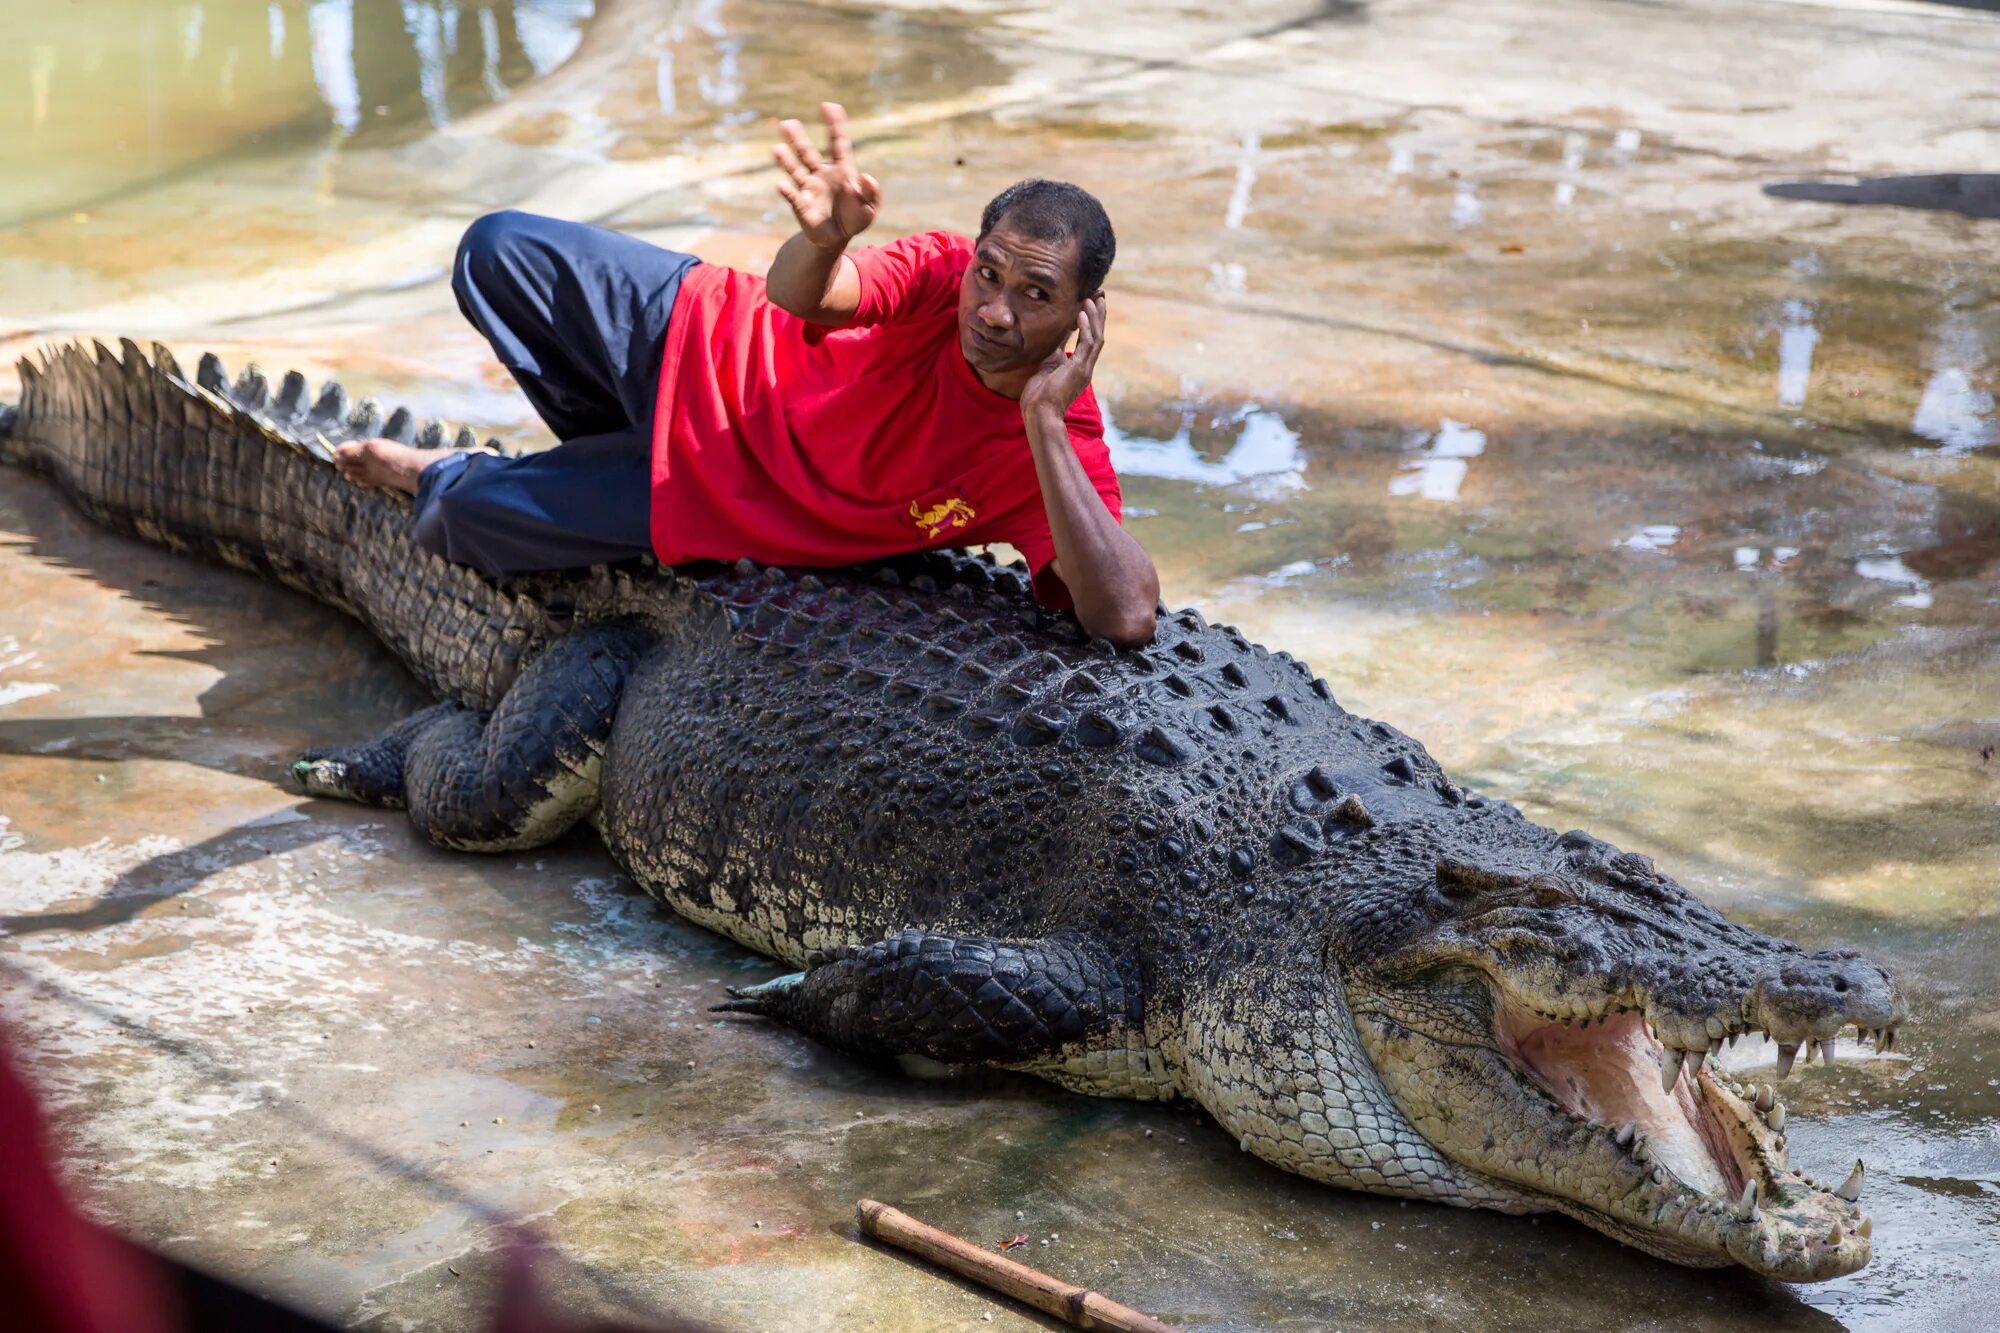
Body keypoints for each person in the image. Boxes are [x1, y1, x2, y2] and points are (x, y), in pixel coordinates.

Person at [335, 102, 1159, 647]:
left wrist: (1044, 421)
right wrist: (825, 239)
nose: (996, 310)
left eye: (1036, 294)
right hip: (702, 328)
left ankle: (474, 477)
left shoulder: (1062, 445)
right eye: (991, 275)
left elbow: (1124, 616)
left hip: (717, 498)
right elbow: (807, 296)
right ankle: (613, 451)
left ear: (1085, 315)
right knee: (495, 250)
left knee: (459, 517)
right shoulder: (942, 271)